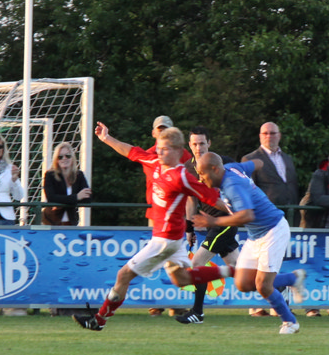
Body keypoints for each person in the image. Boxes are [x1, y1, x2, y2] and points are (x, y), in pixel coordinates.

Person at [74, 128, 231, 331]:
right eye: (159, 148)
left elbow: (212, 198)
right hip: (174, 240)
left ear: (177, 151)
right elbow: (130, 151)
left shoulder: (182, 176)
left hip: (165, 241)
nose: (160, 152)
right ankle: (231, 270)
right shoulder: (155, 162)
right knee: (182, 279)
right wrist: (106, 138)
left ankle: (99, 320)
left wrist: (242, 213)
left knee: (123, 275)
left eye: (165, 149)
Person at [193, 154, 308, 334]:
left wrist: (214, 221)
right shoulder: (232, 168)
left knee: (263, 286)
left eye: (202, 173)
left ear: (214, 169)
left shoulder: (232, 185)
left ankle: (290, 322)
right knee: (243, 283)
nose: (200, 178)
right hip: (256, 235)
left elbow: (247, 215)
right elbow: (258, 163)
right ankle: (292, 279)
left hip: (273, 230)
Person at [95, 116, 195, 315]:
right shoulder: (151, 156)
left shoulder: (183, 156)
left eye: (166, 129)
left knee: (158, 267)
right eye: (160, 129)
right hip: (156, 216)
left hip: (175, 220)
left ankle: (172, 303)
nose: (163, 133)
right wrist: (106, 138)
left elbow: (193, 186)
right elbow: (129, 151)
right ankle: (158, 303)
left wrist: (190, 221)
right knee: (163, 267)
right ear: (153, 133)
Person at [177, 128, 238, 324]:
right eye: (194, 144)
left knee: (197, 264)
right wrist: (189, 228)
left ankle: (197, 312)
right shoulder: (187, 168)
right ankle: (278, 284)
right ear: (189, 145)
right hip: (212, 224)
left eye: (202, 143)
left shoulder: (223, 162)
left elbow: (241, 184)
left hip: (225, 222)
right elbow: (191, 200)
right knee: (239, 269)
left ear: (209, 143)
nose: (198, 148)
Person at [242, 121, 300, 222]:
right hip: (266, 216)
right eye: (265, 133)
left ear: (279, 136)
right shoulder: (250, 159)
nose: (269, 136)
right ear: (260, 136)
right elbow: (248, 191)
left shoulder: (288, 158)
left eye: (272, 133)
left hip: (290, 215)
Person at [42, 141, 91, 226]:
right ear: (56, 160)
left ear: (72, 158)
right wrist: (76, 197)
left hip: (70, 222)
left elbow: (88, 198)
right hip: (51, 222)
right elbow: (51, 198)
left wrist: (62, 200)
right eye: (60, 157)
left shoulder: (79, 175)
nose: (64, 159)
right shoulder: (50, 175)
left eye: (67, 156)